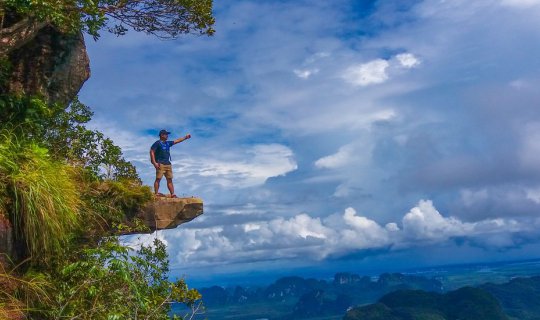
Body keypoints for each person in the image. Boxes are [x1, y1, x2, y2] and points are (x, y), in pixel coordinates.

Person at [150, 129, 191, 197]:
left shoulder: (168, 143)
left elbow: (177, 141)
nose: (167, 136)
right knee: (158, 179)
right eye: (166, 134)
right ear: (162, 135)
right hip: (160, 164)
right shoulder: (157, 143)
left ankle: (172, 194)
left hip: (168, 164)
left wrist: (185, 137)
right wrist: (154, 163)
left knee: (169, 179)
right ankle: (156, 193)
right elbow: (151, 151)